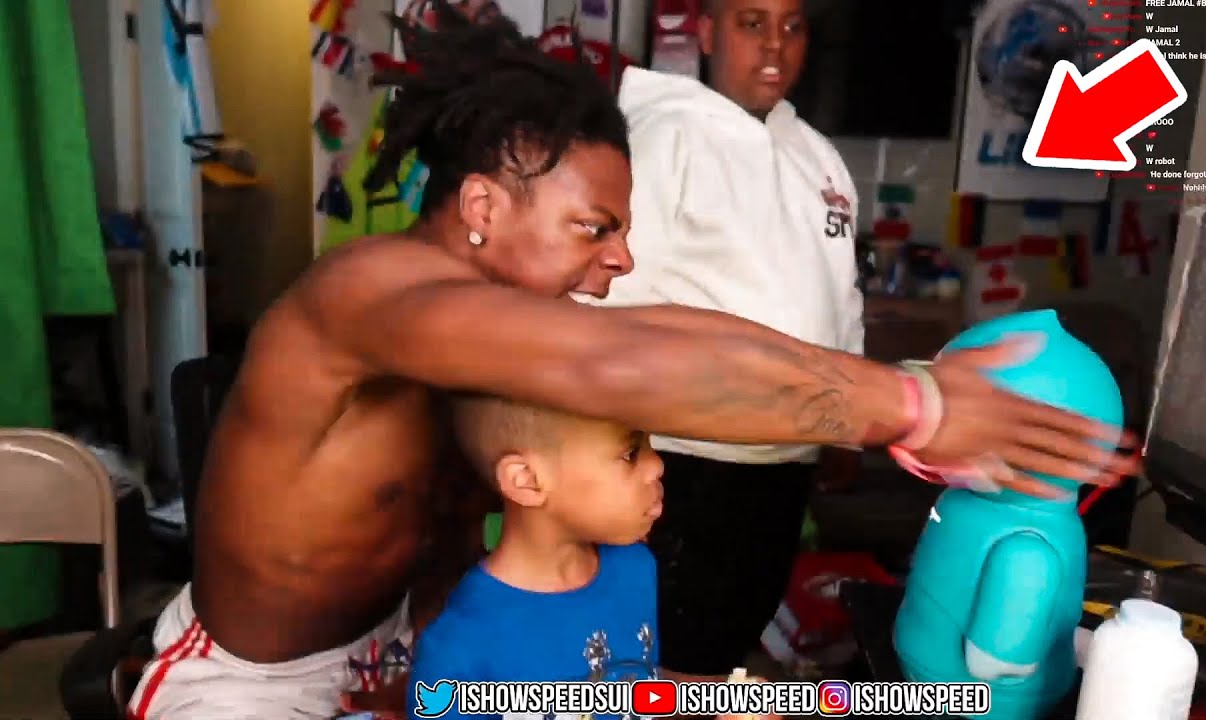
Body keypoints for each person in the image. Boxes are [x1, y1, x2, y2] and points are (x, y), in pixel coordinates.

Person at [126, 18, 1135, 720]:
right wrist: (914, 405)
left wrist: (428, 673)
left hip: (394, 659)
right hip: (251, 684)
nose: (617, 263)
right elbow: (623, 357)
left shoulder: (491, 331)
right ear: (482, 208)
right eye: (593, 228)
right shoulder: (370, 292)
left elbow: (671, 336)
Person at [580, 0, 863, 680]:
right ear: (707, 32)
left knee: (728, 638)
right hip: (682, 459)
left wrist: (849, 427)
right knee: (653, 657)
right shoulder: (661, 136)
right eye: (751, 23)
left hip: (785, 463)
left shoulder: (819, 158)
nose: (775, 45)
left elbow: (841, 292)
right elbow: (603, 292)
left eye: (793, 26)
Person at [406, 394, 665, 720]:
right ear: (527, 480)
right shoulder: (459, 652)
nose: (657, 464)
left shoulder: (636, 568)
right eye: (630, 453)